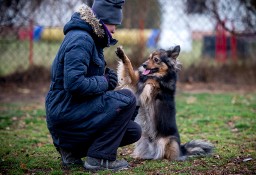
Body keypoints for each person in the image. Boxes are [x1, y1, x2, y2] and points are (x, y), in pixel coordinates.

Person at [45, 0, 141, 171]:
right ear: (104, 20)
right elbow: (74, 84)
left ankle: (71, 150)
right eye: (114, 24)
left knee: (132, 130)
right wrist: (104, 82)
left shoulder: (90, 38)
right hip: (66, 111)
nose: (115, 30)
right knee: (128, 98)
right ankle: (98, 159)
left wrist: (105, 79)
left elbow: (84, 80)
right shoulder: (81, 39)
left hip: (72, 110)